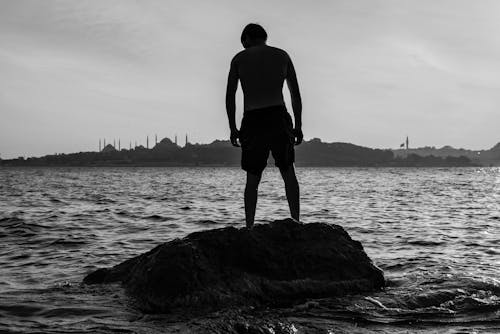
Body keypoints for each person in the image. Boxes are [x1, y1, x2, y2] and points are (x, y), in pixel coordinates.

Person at [225, 23, 303, 228]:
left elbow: (230, 96)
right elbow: (295, 94)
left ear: (247, 39)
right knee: (288, 172)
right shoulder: (282, 56)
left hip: (253, 119)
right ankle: (296, 221)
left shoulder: (239, 59)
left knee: (252, 177)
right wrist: (298, 124)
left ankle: (249, 227)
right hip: (278, 115)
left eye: (243, 43)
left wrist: (233, 127)